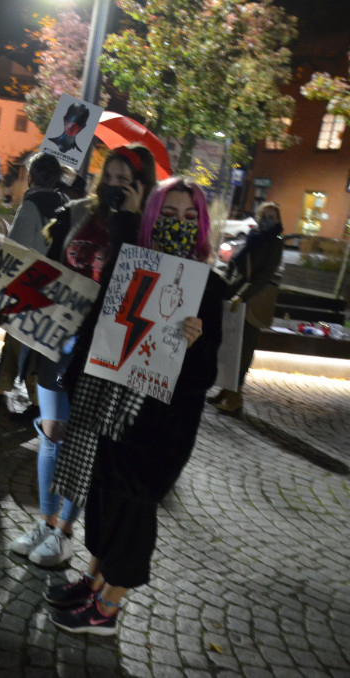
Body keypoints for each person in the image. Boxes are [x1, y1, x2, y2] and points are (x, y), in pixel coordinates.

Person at [44, 177, 222, 635]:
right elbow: (103, 329)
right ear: (152, 218)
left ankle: (109, 605)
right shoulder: (132, 266)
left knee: (132, 507)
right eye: (167, 215)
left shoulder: (208, 288)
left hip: (159, 423)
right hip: (111, 405)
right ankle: (95, 578)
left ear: (200, 225)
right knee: (104, 499)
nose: (177, 225)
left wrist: (193, 343)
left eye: (188, 218)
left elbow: (206, 377)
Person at [10, 144, 157, 568]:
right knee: (52, 433)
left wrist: (128, 218)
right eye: (107, 178)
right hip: (59, 336)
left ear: (141, 186)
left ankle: (65, 532)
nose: (112, 187)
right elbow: (50, 267)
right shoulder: (77, 212)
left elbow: (136, 286)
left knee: (82, 440)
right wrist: (16, 301)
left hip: (103, 348)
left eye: (124, 181)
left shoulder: (145, 228)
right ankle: (45, 520)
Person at [0, 153, 67, 415]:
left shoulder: (30, 207)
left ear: (33, 177)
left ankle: (36, 404)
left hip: (26, 283)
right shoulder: (64, 204)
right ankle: (0, 391)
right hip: (51, 283)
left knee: (20, 342)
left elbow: (17, 251)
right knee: (24, 342)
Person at [211, 201, 284, 415]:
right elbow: (237, 265)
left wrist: (242, 295)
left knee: (243, 350)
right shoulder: (253, 237)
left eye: (272, 216)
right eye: (264, 214)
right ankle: (226, 390)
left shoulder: (275, 242)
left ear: (278, 221)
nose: (267, 219)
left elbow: (264, 276)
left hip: (252, 301)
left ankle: (236, 399)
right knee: (230, 346)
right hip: (236, 296)